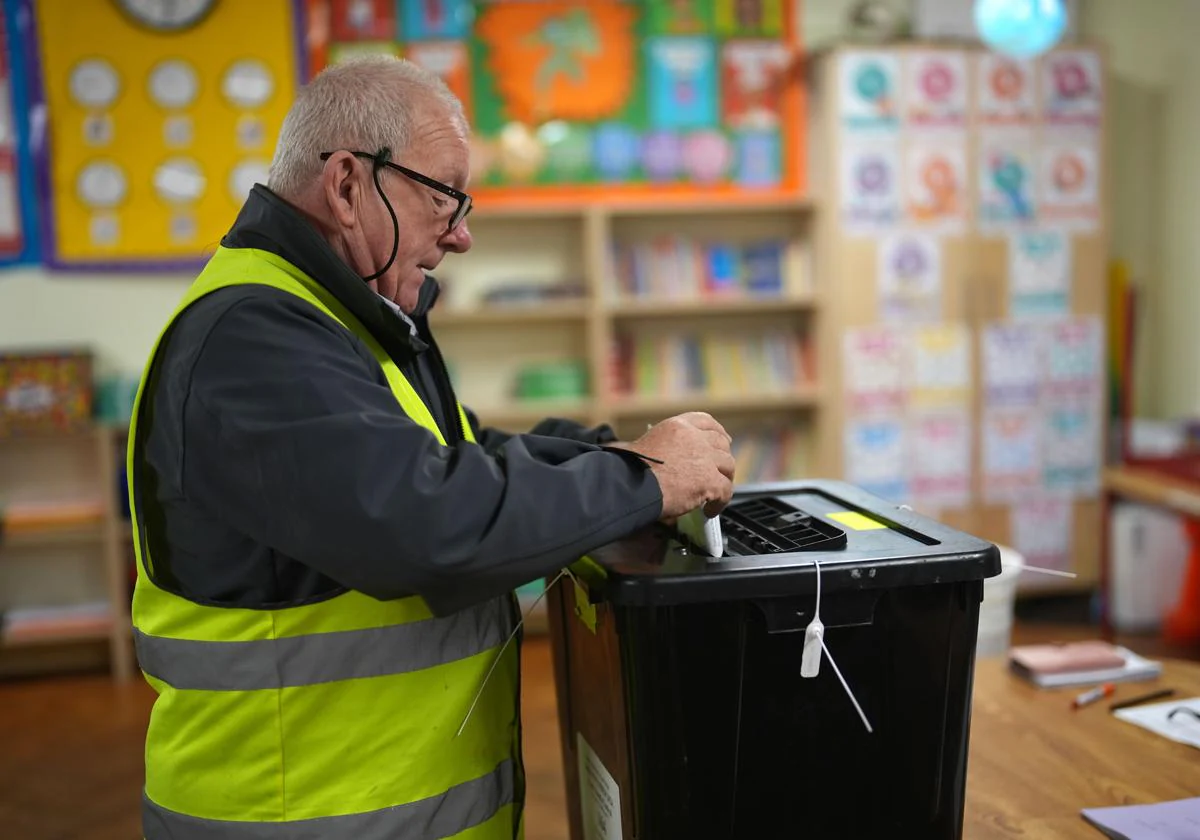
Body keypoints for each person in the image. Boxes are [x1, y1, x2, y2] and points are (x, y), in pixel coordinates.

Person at [127, 55, 735, 840]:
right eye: (443, 195)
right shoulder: (252, 337)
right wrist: (641, 479)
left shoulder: (342, 316)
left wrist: (609, 454)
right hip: (293, 816)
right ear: (347, 185)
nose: (462, 235)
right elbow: (429, 524)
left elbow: (458, 455)